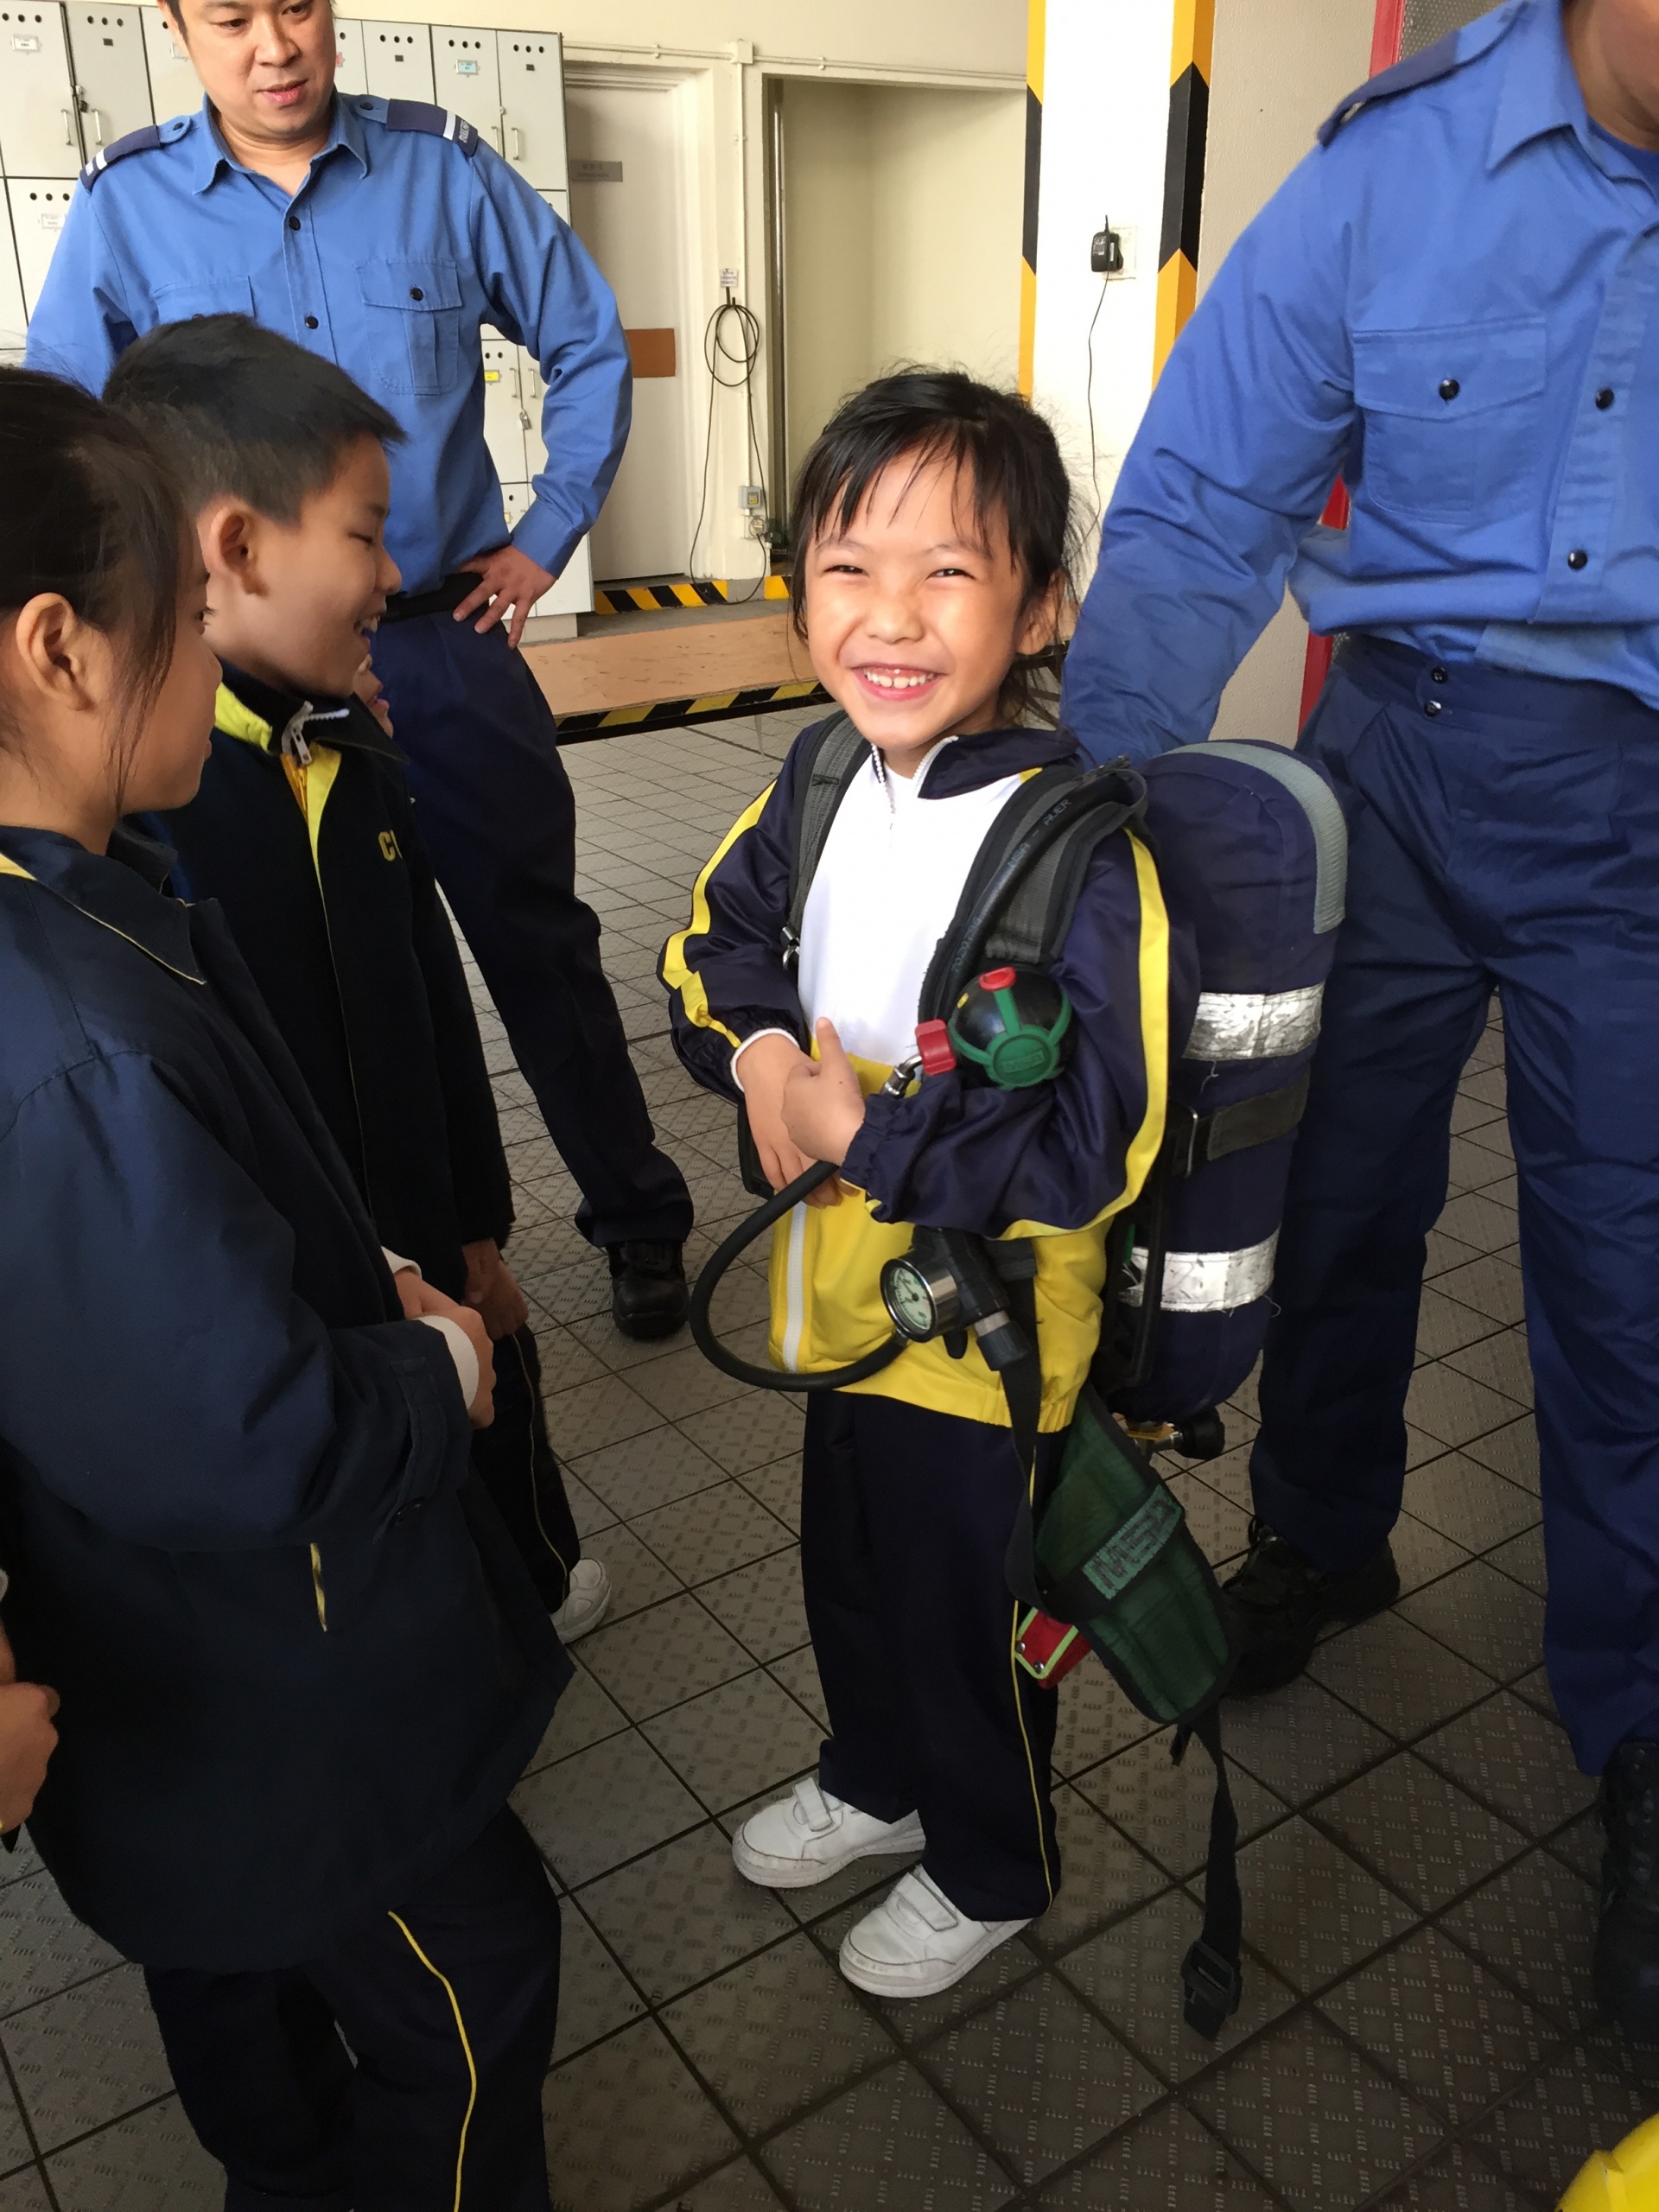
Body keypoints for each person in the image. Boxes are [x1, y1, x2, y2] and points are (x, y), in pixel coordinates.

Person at [1057, 0, 1659, 2037]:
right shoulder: (1397, 168)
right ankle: (1323, 1535)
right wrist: (1081, 841)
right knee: (1317, 1197)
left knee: (1631, 1279)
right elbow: (1204, 501)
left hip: (1639, 802)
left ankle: (1644, 1733)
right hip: (1386, 763)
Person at [0, 365, 569, 2209]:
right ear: (62, 649)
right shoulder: (65, 1041)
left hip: (177, 1697)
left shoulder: (85, 890)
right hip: (273, 1698)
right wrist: (435, 1366)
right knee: (477, 1988)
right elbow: (245, 1429)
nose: (209, 650)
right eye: (182, 611)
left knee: (261, 2030)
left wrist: (370, 1256)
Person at [23, 0, 694, 1341]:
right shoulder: (125, 209)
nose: (274, 45)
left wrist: (548, 533)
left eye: (299, 7)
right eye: (231, 17)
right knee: (296, 984)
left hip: (442, 644)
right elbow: (69, 453)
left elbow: (585, 336)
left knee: (539, 952)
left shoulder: (442, 170)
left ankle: (636, 1216)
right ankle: (365, 1274)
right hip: (237, 693)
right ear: (178, 29)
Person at [662, 372, 1192, 1997]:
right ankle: (879, 1775)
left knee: (968, 1608)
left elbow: (1099, 1137)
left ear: (1042, 608)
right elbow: (712, 941)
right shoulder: (822, 777)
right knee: (853, 1567)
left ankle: (990, 1861)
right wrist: (763, 1061)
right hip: (837, 1305)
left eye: (948, 571)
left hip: (989, 1337)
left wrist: (863, 1141)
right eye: (847, 566)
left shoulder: (1075, 850)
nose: (889, 616)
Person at [106, 312, 612, 1643]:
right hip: (301, 1271)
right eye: (366, 535)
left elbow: (433, 1003)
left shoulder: (349, 745)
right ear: (235, 548)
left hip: (424, 1221)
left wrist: (477, 1224)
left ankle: (530, 1589)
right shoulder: (158, 815)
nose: (394, 576)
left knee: (491, 1400)